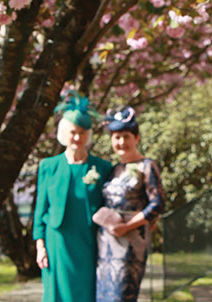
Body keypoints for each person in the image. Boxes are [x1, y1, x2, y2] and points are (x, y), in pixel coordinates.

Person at [33, 91, 113, 302]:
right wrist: (40, 246)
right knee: (56, 293)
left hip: (89, 241)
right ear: (63, 133)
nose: (77, 138)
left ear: (89, 135)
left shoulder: (102, 167)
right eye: (73, 132)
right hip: (57, 240)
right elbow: (40, 209)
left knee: (86, 292)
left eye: (82, 133)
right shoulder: (48, 166)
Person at [95, 106, 166, 302]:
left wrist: (128, 225)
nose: (121, 142)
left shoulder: (147, 166)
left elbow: (158, 204)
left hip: (131, 240)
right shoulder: (113, 169)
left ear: (137, 138)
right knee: (104, 294)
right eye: (116, 137)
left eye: (126, 136)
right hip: (106, 241)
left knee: (122, 293)